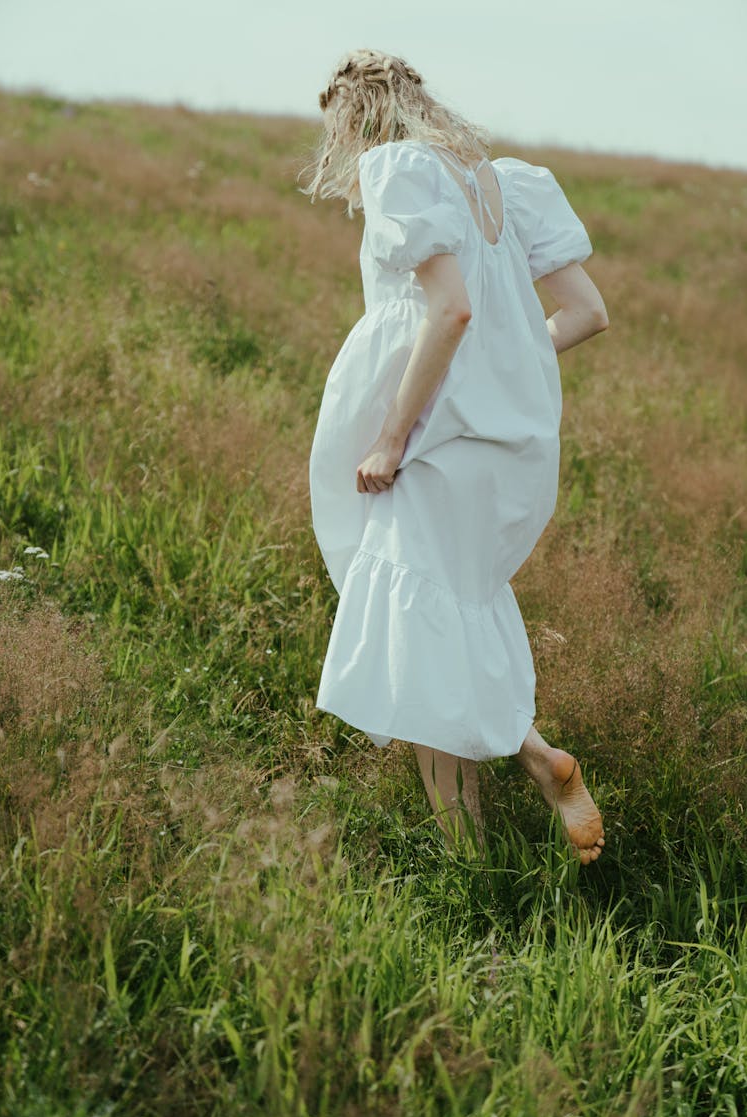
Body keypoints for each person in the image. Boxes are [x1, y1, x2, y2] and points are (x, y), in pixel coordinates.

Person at [304, 49, 607, 863]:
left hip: (440, 445)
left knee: (421, 643)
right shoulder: (506, 184)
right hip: (512, 446)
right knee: (452, 616)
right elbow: (587, 313)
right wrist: (504, 369)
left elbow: (451, 311)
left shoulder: (398, 168)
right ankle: (536, 756)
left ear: (358, 117)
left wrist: (392, 436)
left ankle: (471, 861)